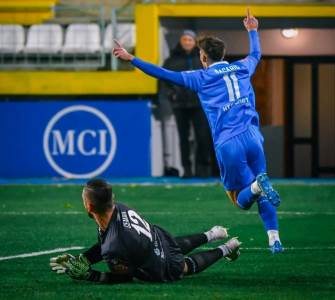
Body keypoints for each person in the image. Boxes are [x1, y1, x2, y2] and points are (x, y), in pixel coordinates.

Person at [112, 9, 283, 254]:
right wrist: (253, 31)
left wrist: (132, 58)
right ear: (223, 54)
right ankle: (274, 238)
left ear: (203, 57)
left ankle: (257, 187)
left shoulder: (201, 77)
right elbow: (256, 53)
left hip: (229, 143)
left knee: (242, 198)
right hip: (254, 137)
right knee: (262, 182)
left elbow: (163, 73)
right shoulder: (243, 67)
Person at [50, 179, 241, 284]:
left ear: (90, 207)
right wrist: (83, 259)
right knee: (175, 245)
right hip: (159, 237)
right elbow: (105, 241)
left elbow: (126, 277)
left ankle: (227, 247)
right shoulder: (117, 208)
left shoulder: (114, 247)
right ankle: (212, 234)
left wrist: (90, 275)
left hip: (159, 263)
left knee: (182, 266)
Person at [160, 30, 213, 178]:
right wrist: (172, 95)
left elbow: (210, 78)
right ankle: (187, 170)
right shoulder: (171, 60)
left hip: (200, 105)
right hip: (180, 106)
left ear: (194, 42)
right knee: (183, 139)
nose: (187, 42)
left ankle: (203, 170)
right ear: (181, 41)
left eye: (190, 40)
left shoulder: (203, 59)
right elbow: (164, 80)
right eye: (185, 40)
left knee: (202, 137)